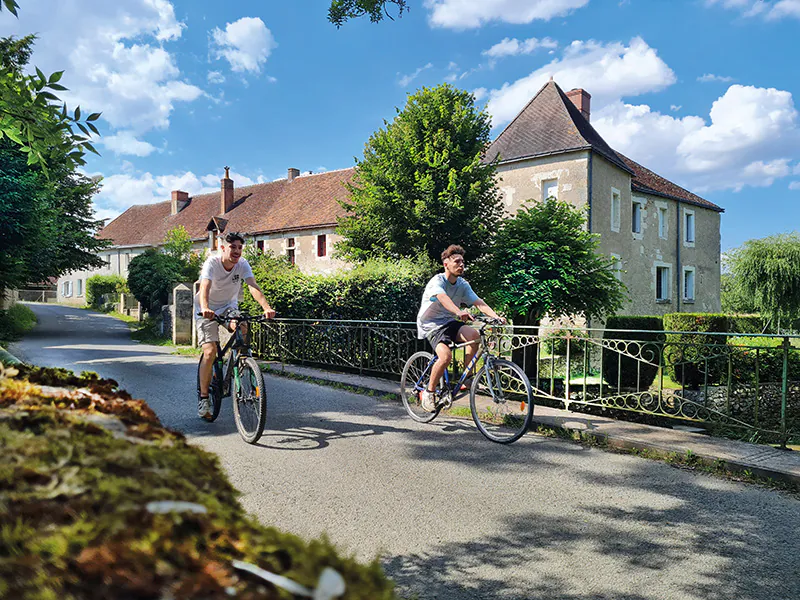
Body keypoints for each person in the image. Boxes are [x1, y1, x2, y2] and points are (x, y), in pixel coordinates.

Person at [195, 231, 275, 420]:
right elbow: (204, 286)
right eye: (232, 247)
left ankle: (241, 362)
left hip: (228, 307)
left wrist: (266, 307)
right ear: (222, 248)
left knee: (242, 325)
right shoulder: (212, 263)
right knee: (209, 351)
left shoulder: (242, 264)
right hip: (206, 308)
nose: (237, 251)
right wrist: (205, 308)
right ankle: (204, 398)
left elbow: (252, 285)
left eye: (240, 247)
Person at [416, 244, 505, 411]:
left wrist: (496, 317)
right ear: (446, 264)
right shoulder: (437, 281)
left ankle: (467, 377)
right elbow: (442, 297)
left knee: (474, 336)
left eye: (463, 262)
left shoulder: (462, 284)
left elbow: (478, 302)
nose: (461, 265)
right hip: (432, 325)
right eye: (457, 261)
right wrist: (458, 311)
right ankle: (429, 392)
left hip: (450, 321)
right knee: (445, 357)